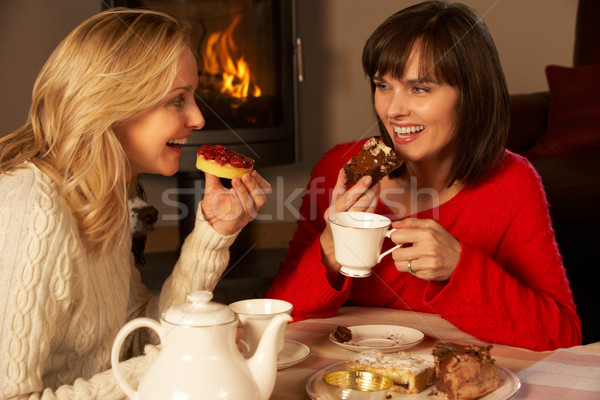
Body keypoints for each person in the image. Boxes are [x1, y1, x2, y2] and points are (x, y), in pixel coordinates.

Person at [266, 0, 581, 351]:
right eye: (383, 85)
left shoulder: (513, 182)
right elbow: (278, 318)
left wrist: (458, 267)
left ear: (471, 95)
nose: (393, 110)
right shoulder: (338, 167)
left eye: (419, 88)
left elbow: (562, 335)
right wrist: (329, 246)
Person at [0, 8, 270, 398]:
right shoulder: (30, 205)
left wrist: (213, 233)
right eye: (178, 100)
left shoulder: (106, 195)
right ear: (114, 104)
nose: (197, 118)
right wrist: (177, 360)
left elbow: (130, 339)